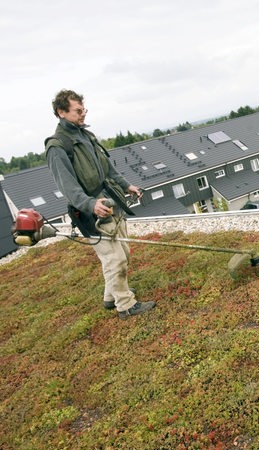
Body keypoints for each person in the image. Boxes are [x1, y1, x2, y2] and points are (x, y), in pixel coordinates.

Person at [45, 89, 156, 319]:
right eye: (78, 111)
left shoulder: (86, 136)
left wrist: (127, 186)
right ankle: (125, 305)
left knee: (122, 251)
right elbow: (68, 187)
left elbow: (108, 168)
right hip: (88, 213)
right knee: (114, 258)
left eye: (84, 109)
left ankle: (110, 296)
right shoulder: (58, 147)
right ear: (61, 112)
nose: (83, 114)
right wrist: (90, 204)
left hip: (110, 202)